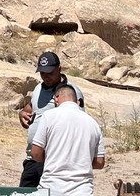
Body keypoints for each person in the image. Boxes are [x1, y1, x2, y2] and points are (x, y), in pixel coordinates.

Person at [18, 51, 84, 188]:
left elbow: (79, 124)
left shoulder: (71, 93)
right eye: (42, 73)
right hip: (32, 160)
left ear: (59, 69)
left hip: (55, 162)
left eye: (50, 73)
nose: (46, 77)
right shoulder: (38, 89)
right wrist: (22, 114)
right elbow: (31, 107)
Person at [30, 84, 105, 196]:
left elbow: (35, 154)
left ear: (56, 98)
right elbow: (99, 162)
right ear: (78, 103)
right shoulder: (93, 124)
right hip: (82, 190)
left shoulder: (48, 116)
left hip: (51, 188)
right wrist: (79, 162)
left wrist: (55, 157)